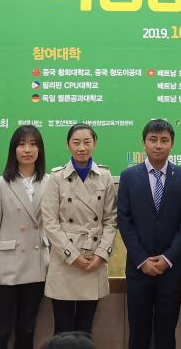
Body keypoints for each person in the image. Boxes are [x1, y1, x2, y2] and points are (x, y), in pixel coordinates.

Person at [118, 118, 181, 349]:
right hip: (138, 269)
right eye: (153, 140)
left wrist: (168, 258)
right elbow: (124, 221)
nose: (158, 145)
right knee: (138, 333)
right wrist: (142, 259)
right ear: (144, 143)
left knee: (166, 333)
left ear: (172, 144)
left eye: (164, 140)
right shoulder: (128, 176)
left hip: (171, 269)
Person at [41, 123, 118, 335]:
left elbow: (111, 220)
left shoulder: (105, 176)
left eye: (86, 142)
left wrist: (101, 255)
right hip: (65, 261)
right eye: (76, 142)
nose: (81, 147)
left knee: (85, 329)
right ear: (68, 145)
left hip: (93, 260)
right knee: (62, 330)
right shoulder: (56, 177)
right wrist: (72, 256)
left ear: (95, 143)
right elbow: (50, 223)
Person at [0, 125, 49, 349]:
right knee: (0, 331)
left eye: (33, 144)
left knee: (26, 330)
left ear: (40, 150)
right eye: (21, 144)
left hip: (37, 265)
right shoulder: (0, 185)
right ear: (14, 150)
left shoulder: (50, 182)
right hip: (6, 268)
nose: (27, 149)